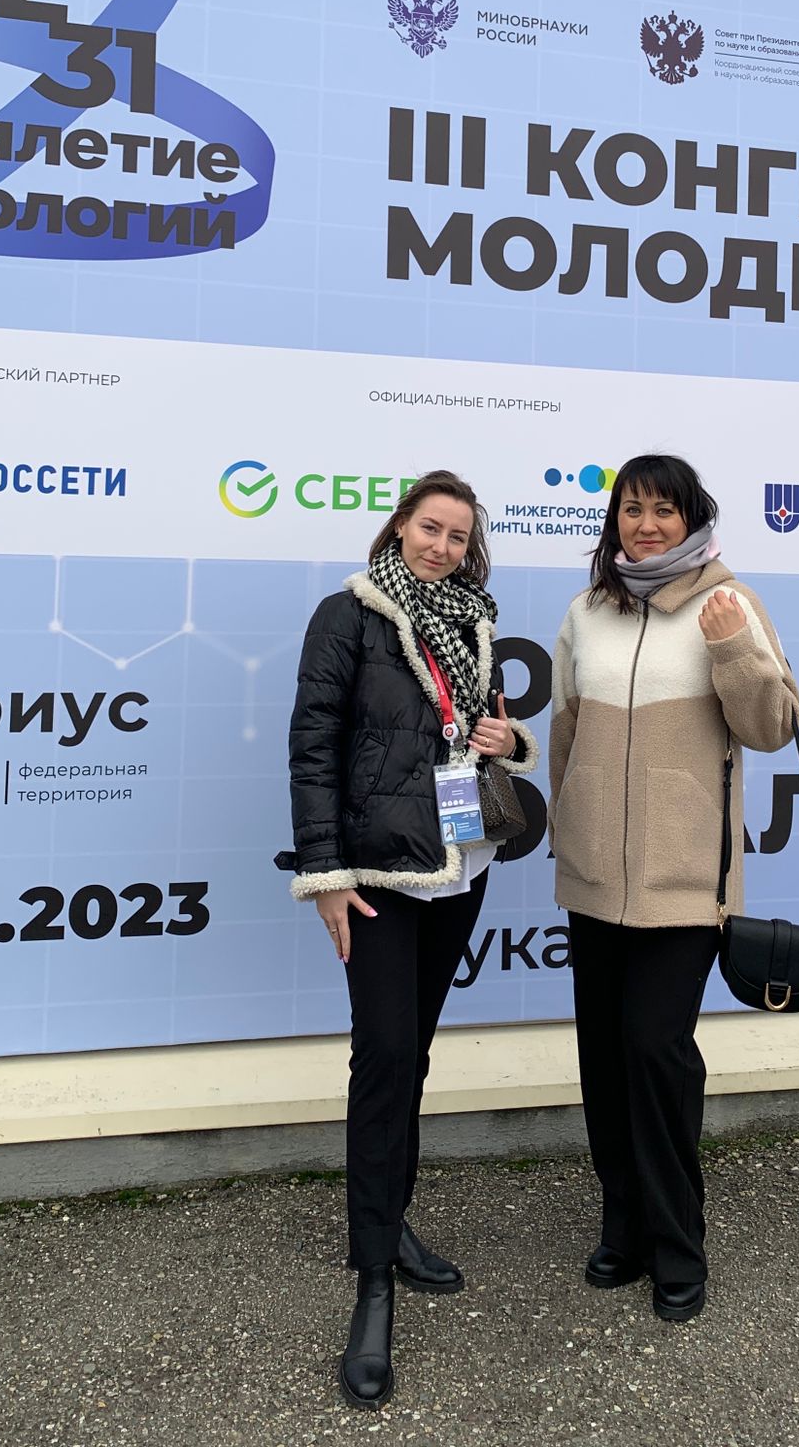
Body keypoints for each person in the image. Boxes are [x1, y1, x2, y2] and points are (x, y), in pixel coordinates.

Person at [287, 469, 539, 1409]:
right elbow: (313, 746)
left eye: (458, 536)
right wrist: (327, 876)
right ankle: (373, 1285)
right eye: (430, 528)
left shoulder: (473, 619)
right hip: (380, 876)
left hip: (459, 866)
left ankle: (391, 1223)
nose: (441, 546)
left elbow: (478, 733)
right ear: (399, 528)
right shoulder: (347, 616)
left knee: (414, 1054)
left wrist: (509, 742)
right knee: (385, 1057)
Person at [547, 454, 799, 1323]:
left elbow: (773, 727)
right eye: (632, 509)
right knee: (604, 1059)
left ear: (693, 518)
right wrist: (565, 826)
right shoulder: (587, 610)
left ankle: (677, 1243)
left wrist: (733, 648)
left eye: (664, 509)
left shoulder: (730, 603)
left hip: (685, 882)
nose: (646, 524)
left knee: (656, 1054)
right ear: (613, 519)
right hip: (593, 877)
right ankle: (622, 1229)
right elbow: (566, 731)